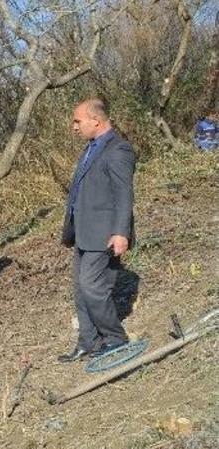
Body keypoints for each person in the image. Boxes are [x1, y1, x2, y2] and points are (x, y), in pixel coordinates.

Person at [58, 97, 135, 363]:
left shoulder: (118, 149)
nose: (74, 127)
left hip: (105, 233)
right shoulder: (91, 148)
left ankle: (115, 338)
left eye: (77, 121)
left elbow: (124, 194)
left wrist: (121, 232)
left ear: (96, 120)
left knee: (92, 286)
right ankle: (89, 342)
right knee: (80, 289)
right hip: (84, 232)